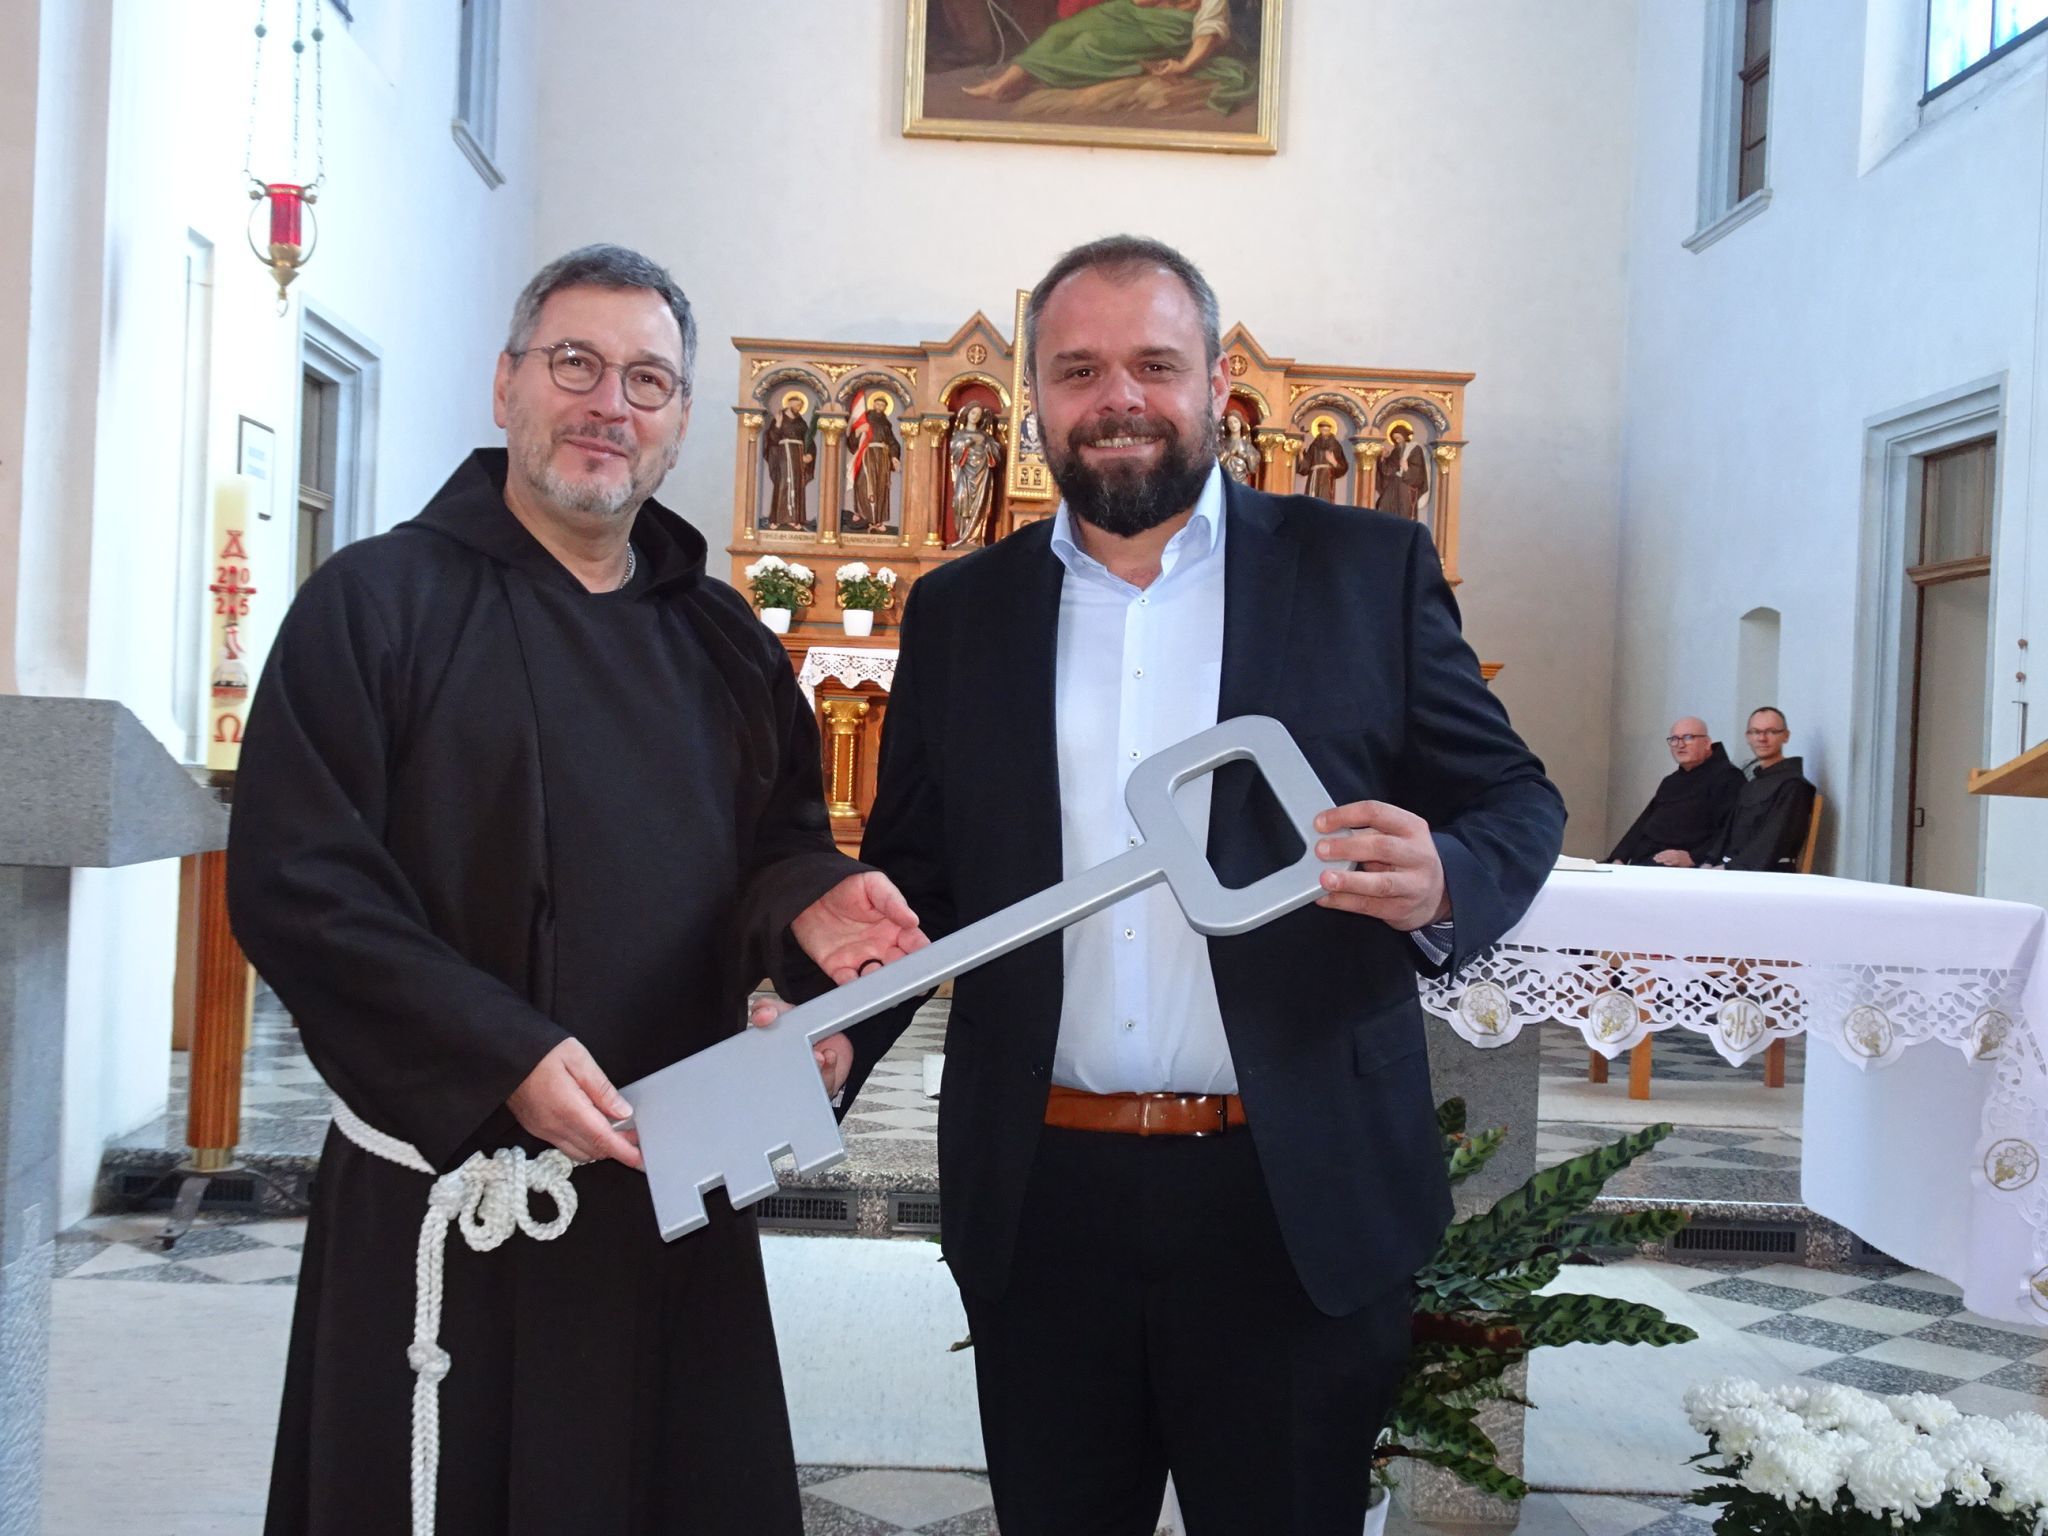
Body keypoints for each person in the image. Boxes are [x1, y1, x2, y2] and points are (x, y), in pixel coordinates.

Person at [772, 235, 1563, 1535]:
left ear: (1215, 385)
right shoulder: (964, 612)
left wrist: (1448, 876)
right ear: (1032, 401)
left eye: (1154, 363)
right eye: (1079, 369)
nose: (1119, 397)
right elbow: (914, 881)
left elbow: (1515, 799)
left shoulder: (1363, 572)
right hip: (1043, 1195)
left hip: (1289, 1194)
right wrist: (824, 1028)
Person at [228, 244, 928, 1536]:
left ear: (676, 426)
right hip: (452, 1188)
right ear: (506, 386)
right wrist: (504, 1052)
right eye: (577, 365)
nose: (612, 403)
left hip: (668, 1183)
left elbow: (773, 846)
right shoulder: (373, 606)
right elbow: (299, 882)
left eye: (649, 381)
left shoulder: (722, 639)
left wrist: (809, 908)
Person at [961, 0, 1257, 116]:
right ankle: (1010, 80)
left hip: (1169, 33)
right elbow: (1139, 1)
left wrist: (1185, 65)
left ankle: (1016, 81)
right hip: (1133, 14)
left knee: (1091, 43)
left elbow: (1208, 32)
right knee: (1063, 31)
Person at [1605, 716, 1743, 867]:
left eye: (1688, 738)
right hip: (1645, 860)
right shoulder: (1670, 782)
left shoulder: (1728, 778)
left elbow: (1729, 831)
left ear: (1707, 742)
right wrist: (1620, 857)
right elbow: (1643, 823)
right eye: (1674, 739)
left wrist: (1693, 857)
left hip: (1683, 867)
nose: (1680, 745)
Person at [1701, 706, 1817, 872]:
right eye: (1755, 732)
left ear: (1786, 736)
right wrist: (1709, 861)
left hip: (1767, 875)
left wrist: (1728, 868)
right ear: (1748, 737)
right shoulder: (1752, 784)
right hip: (1732, 870)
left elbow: (1772, 840)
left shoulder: (1794, 786)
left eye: (1771, 732)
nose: (1762, 738)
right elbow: (1728, 833)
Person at [846, 390, 902, 532]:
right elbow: (852, 439)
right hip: (867, 454)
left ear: (885, 407)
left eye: (883, 404)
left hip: (882, 457)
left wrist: (894, 457)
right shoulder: (866, 418)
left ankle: (878, 520)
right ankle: (861, 512)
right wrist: (858, 432)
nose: (879, 406)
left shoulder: (886, 423)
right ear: (873, 404)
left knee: (881, 487)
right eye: (877, 403)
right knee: (862, 482)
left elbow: (893, 442)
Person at [761, 392, 814, 529]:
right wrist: (778, 424)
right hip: (783, 455)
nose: (799, 407)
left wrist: (809, 454)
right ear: (790, 403)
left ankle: (794, 518)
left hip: (798, 455)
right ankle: (777, 519)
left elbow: (808, 440)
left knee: (797, 484)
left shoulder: (801, 421)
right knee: (783, 483)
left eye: (801, 405)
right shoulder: (779, 418)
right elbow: (772, 438)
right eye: (797, 404)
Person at [1373, 421, 1428, 518]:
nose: (1397, 440)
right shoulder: (1396, 451)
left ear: (1404, 436)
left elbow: (1419, 471)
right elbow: (1388, 470)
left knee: (1404, 512)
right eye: (1394, 439)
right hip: (1394, 484)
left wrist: (1407, 468)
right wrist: (1382, 458)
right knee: (1383, 505)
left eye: (1398, 437)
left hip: (1406, 486)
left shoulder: (1415, 449)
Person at [1298, 416, 1349, 502]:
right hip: (1314, 475)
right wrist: (1300, 452)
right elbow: (1306, 465)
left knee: (1325, 497)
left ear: (1330, 431)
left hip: (1327, 476)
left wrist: (1334, 462)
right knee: (1312, 500)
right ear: (1319, 430)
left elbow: (1343, 467)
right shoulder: (1314, 445)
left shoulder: (1335, 446)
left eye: (1327, 431)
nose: (1325, 433)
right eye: (1323, 430)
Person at [1218, 410, 1259, 485]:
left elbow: (1253, 467)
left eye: (1235, 422)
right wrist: (1229, 453)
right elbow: (1217, 462)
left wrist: (1244, 456)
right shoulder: (1223, 443)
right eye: (1230, 423)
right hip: (1225, 480)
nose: (1233, 425)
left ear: (1240, 423)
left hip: (1241, 481)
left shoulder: (1246, 445)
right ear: (1227, 425)